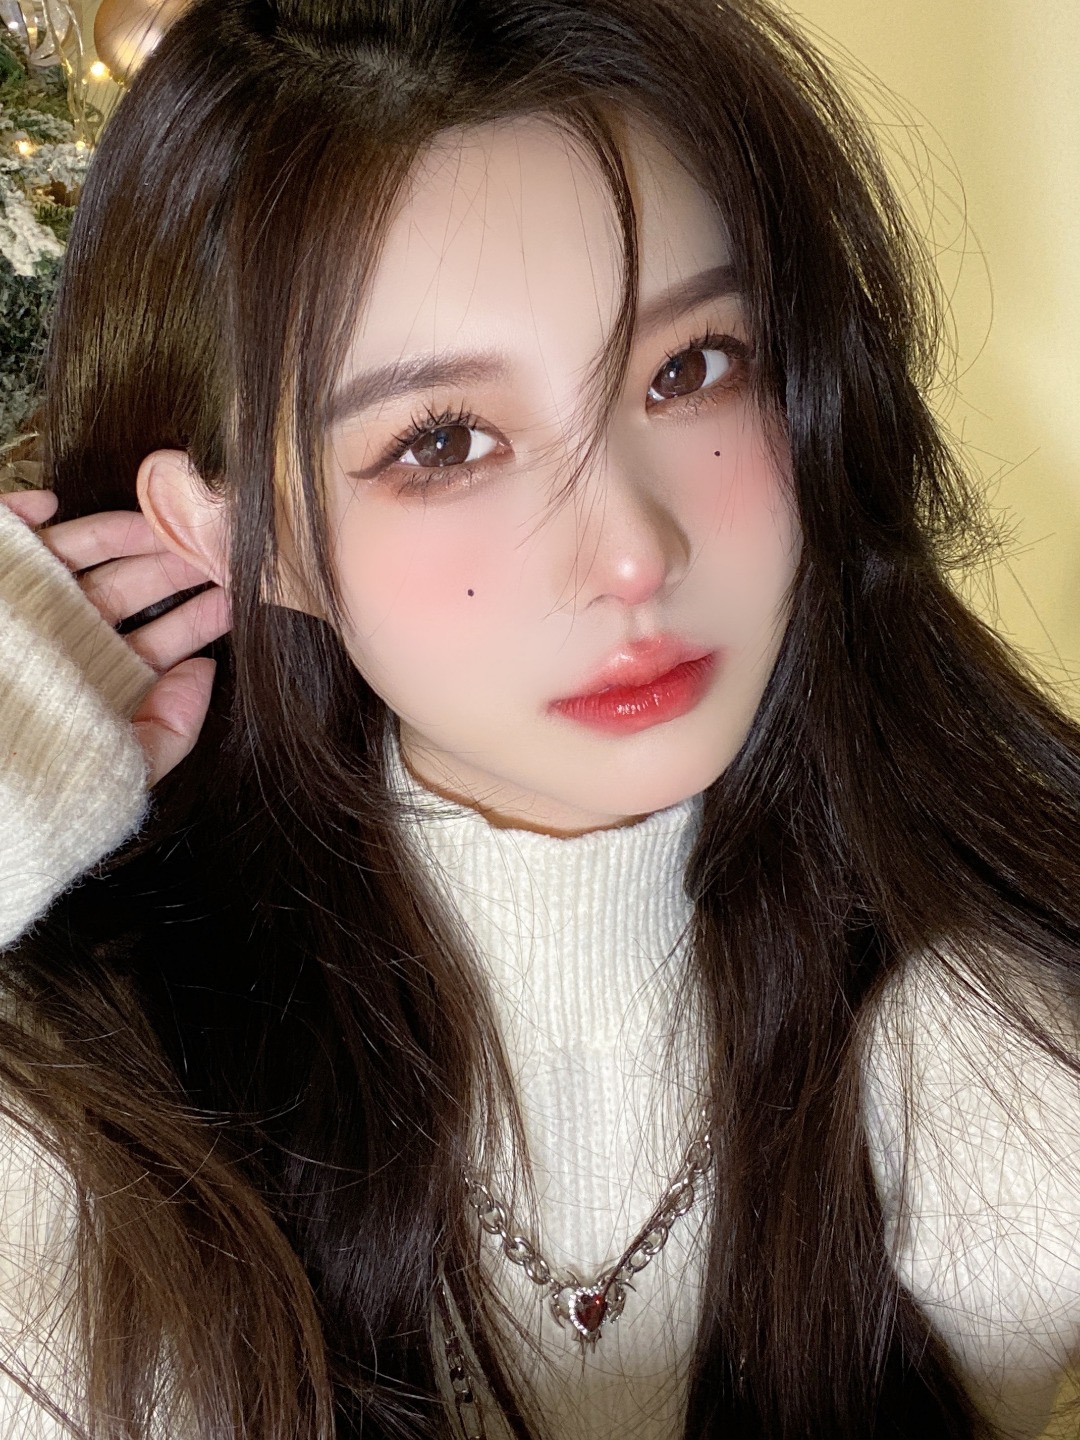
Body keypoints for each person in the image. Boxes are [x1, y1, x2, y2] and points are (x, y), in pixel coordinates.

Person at [2, 0, 1080, 1435]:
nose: (634, 554)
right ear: (238, 534)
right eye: (443, 442)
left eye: (690, 368)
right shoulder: (91, 1119)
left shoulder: (999, 1056)